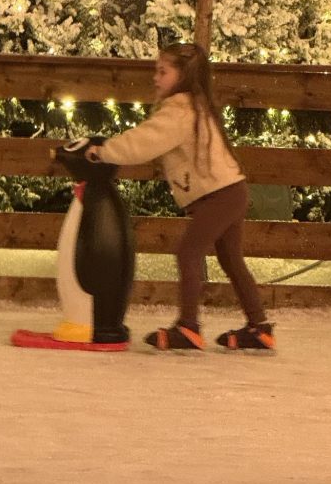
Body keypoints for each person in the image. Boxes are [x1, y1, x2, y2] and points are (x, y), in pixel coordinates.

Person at [85, 42, 275, 353]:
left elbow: (144, 141)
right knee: (230, 259)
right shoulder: (195, 106)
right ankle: (259, 327)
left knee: (188, 252)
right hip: (231, 191)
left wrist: (103, 152)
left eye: (163, 72)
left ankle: (188, 326)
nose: (156, 78)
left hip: (220, 196)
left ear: (183, 75)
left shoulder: (179, 111)